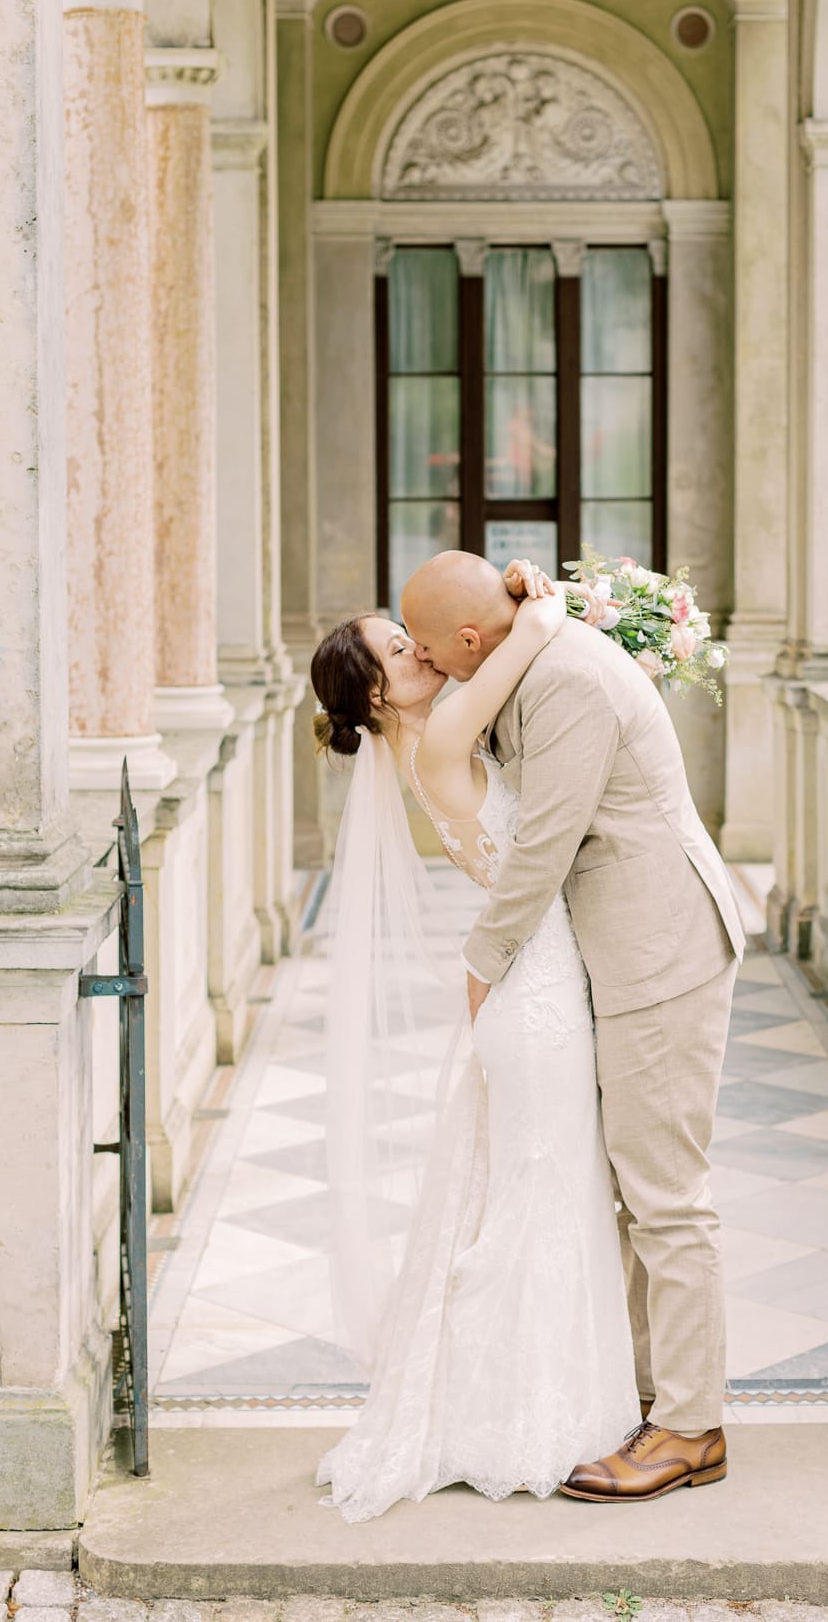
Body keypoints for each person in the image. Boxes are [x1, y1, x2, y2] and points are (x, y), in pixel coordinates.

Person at [401, 551, 746, 1503]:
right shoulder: (531, 660)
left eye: (429, 647)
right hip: (620, 950)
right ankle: (656, 1401)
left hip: (661, 947)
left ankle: (690, 1429)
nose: (423, 663)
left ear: (470, 641)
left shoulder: (566, 680)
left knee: (667, 1193)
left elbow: (546, 838)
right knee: (637, 1190)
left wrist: (482, 958)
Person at [310, 560, 638, 1521]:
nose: (418, 648)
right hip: (533, 996)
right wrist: (526, 587)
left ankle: (524, 1398)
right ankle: (525, 1415)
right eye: (396, 647)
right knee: (545, 1195)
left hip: (525, 989)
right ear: (376, 694)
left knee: (531, 1191)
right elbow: (533, 631)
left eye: (411, 637)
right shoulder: (446, 731)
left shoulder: (431, 740)